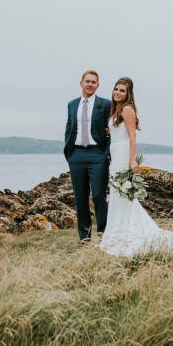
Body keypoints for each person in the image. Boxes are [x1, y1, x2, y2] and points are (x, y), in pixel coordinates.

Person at [99, 77, 173, 257]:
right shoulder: (116, 109)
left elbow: (132, 136)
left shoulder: (127, 109)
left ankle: (125, 234)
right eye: (116, 89)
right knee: (118, 193)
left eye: (122, 90)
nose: (117, 92)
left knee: (123, 193)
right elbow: (119, 132)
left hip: (124, 153)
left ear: (128, 94)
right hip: (116, 153)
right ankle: (116, 233)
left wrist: (132, 160)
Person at [64, 70, 112, 244]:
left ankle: (103, 235)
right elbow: (69, 128)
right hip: (76, 155)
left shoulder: (105, 104)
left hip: (97, 155)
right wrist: (69, 152)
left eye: (94, 82)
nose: (90, 84)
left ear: (97, 85)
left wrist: (106, 153)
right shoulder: (72, 104)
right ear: (81, 83)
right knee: (80, 197)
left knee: (99, 195)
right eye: (87, 81)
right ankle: (84, 238)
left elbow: (112, 129)